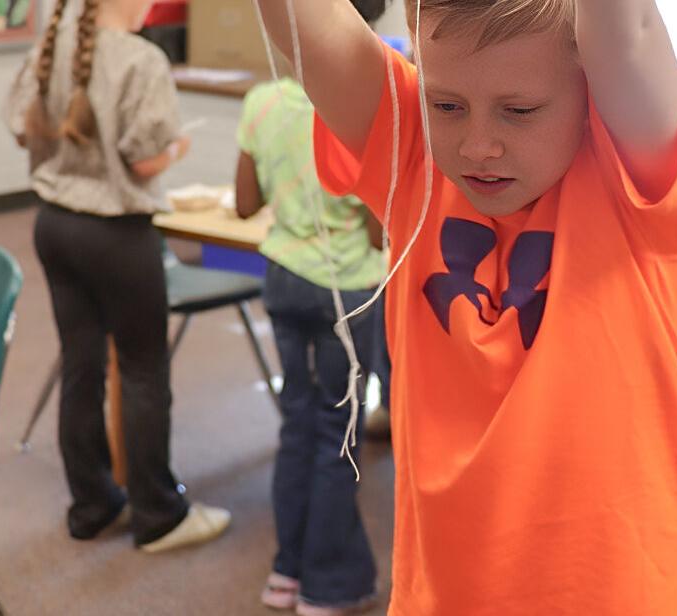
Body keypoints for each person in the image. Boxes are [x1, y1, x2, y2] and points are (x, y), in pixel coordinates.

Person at [255, 0, 677, 612]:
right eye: (447, 105)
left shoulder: (635, 181)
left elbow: (625, 32)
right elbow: (305, 21)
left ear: (589, 88)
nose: (478, 146)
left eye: (519, 111)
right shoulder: (413, 156)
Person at [4, 0, 229, 552]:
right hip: (117, 236)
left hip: (55, 226)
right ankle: (159, 515)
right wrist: (178, 147)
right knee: (143, 370)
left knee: (80, 365)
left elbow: (22, 131)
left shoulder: (49, 47)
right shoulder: (140, 60)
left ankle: (92, 504)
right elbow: (143, 162)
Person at [233, 2, 386, 612]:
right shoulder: (366, 108)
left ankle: (286, 573)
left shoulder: (262, 101)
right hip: (345, 291)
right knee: (338, 434)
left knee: (297, 424)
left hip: (284, 280)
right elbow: (377, 231)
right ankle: (327, 585)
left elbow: (245, 203)